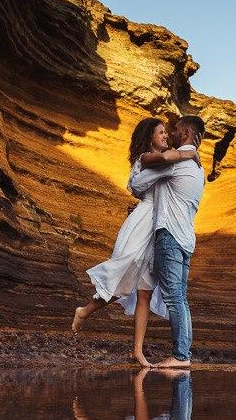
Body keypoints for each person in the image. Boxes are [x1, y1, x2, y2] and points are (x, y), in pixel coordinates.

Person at [70, 118, 201, 367]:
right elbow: (136, 185)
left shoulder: (168, 160)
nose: (165, 136)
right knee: (124, 276)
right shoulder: (148, 159)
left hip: (160, 226)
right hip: (144, 224)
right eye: (161, 132)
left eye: (166, 132)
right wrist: (188, 154)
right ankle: (84, 310)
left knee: (145, 293)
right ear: (149, 137)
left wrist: (184, 155)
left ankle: (137, 351)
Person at [129, 115, 206, 370]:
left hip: (170, 236)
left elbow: (137, 184)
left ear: (184, 132)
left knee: (174, 298)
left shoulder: (175, 162)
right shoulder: (199, 168)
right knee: (181, 298)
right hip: (186, 239)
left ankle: (182, 356)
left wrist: (144, 164)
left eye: (174, 129)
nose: (170, 133)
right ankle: (183, 353)